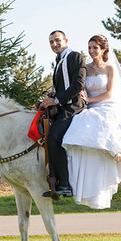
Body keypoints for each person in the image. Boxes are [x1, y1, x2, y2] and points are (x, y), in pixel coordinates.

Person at [62, 34, 121, 209]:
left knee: (105, 120)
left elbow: (109, 93)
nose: (92, 51)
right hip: (90, 107)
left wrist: (89, 101)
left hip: (107, 103)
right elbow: (79, 87)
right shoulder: (85, 68)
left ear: (103, 50)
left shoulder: (110, 69)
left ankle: (118, 149)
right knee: (80, 123)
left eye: (95, 48)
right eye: (90, 47)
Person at [41, 30, 86, 199]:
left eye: (57, 40)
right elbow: (61, 88)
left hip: (74, 105)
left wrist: (56, 100)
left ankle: (65, 185)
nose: (54, 44)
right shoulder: (59, 61)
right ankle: (55, 181)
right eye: (51, 42)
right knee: (46, 134)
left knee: (54, 137)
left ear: (66, 40)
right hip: (62, 106)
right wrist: (51, 97)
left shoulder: (75, 57)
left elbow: (78, 85)